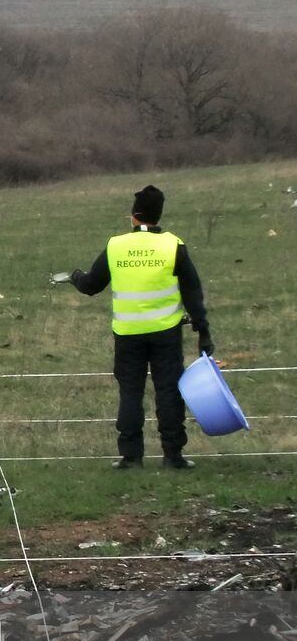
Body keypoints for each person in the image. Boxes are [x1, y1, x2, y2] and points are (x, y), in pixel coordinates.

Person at [70, 185, 212, 470]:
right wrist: (203, 330)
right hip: (166, 334)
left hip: (127, 336)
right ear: (158, 216)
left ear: (134, 217)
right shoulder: (174, 246)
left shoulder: (116, 246)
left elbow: (90, 286)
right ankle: (173, 456)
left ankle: (131, 456)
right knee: (169, 392)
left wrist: (75, 277)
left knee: (131, 394)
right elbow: (192, 292)